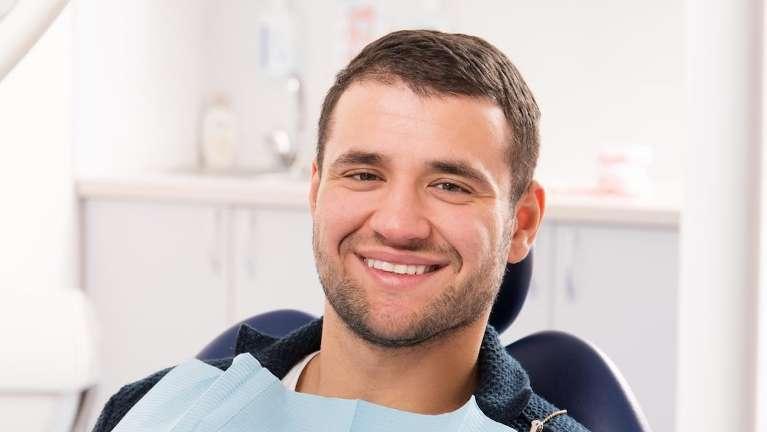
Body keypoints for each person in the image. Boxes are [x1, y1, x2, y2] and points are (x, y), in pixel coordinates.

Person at [92, 30, 589, 432]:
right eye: (364, 175)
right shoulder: (153, 410)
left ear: (521, 223)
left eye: (449, 185)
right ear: (316, 191)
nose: (398, 225)